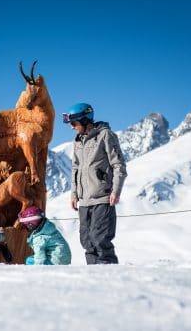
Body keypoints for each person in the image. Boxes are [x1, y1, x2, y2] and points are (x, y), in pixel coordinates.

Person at [63, 103, 127, 264]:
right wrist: (74, 194)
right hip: (84, 200)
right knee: (87, 241)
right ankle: (94, 277)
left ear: (85, 120)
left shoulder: (105, 135)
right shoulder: (77, 141)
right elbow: (75, 168)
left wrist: (116, 191)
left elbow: (118, 165)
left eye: (74, 123)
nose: (72, 128)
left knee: (100, 240)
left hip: (102, 197)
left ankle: (108, 273)